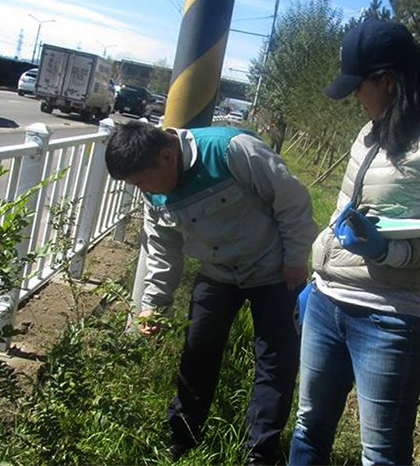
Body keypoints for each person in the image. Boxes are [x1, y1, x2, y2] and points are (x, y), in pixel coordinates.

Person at [289, 18, 420, 465]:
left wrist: (387, 250)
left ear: (388, 80)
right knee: (308, 426)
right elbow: (347, 210)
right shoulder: (371, 132)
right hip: (326, 302)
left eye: (360, 86)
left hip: (390, 317)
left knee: (380, 455)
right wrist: (319, 275)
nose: (356, 98)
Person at [104, 120, 318, 464]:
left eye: (141, 181)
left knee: (275, 361)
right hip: (218, 272)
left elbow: (292, 199)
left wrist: (295, 258)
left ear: (166, 157)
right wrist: (153, 305)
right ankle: (182, 436)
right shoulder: (153, 189)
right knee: (197, 351)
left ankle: (259, 453)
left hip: (274, 270)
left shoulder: (231, 150)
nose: (142, 189)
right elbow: (162, 249)